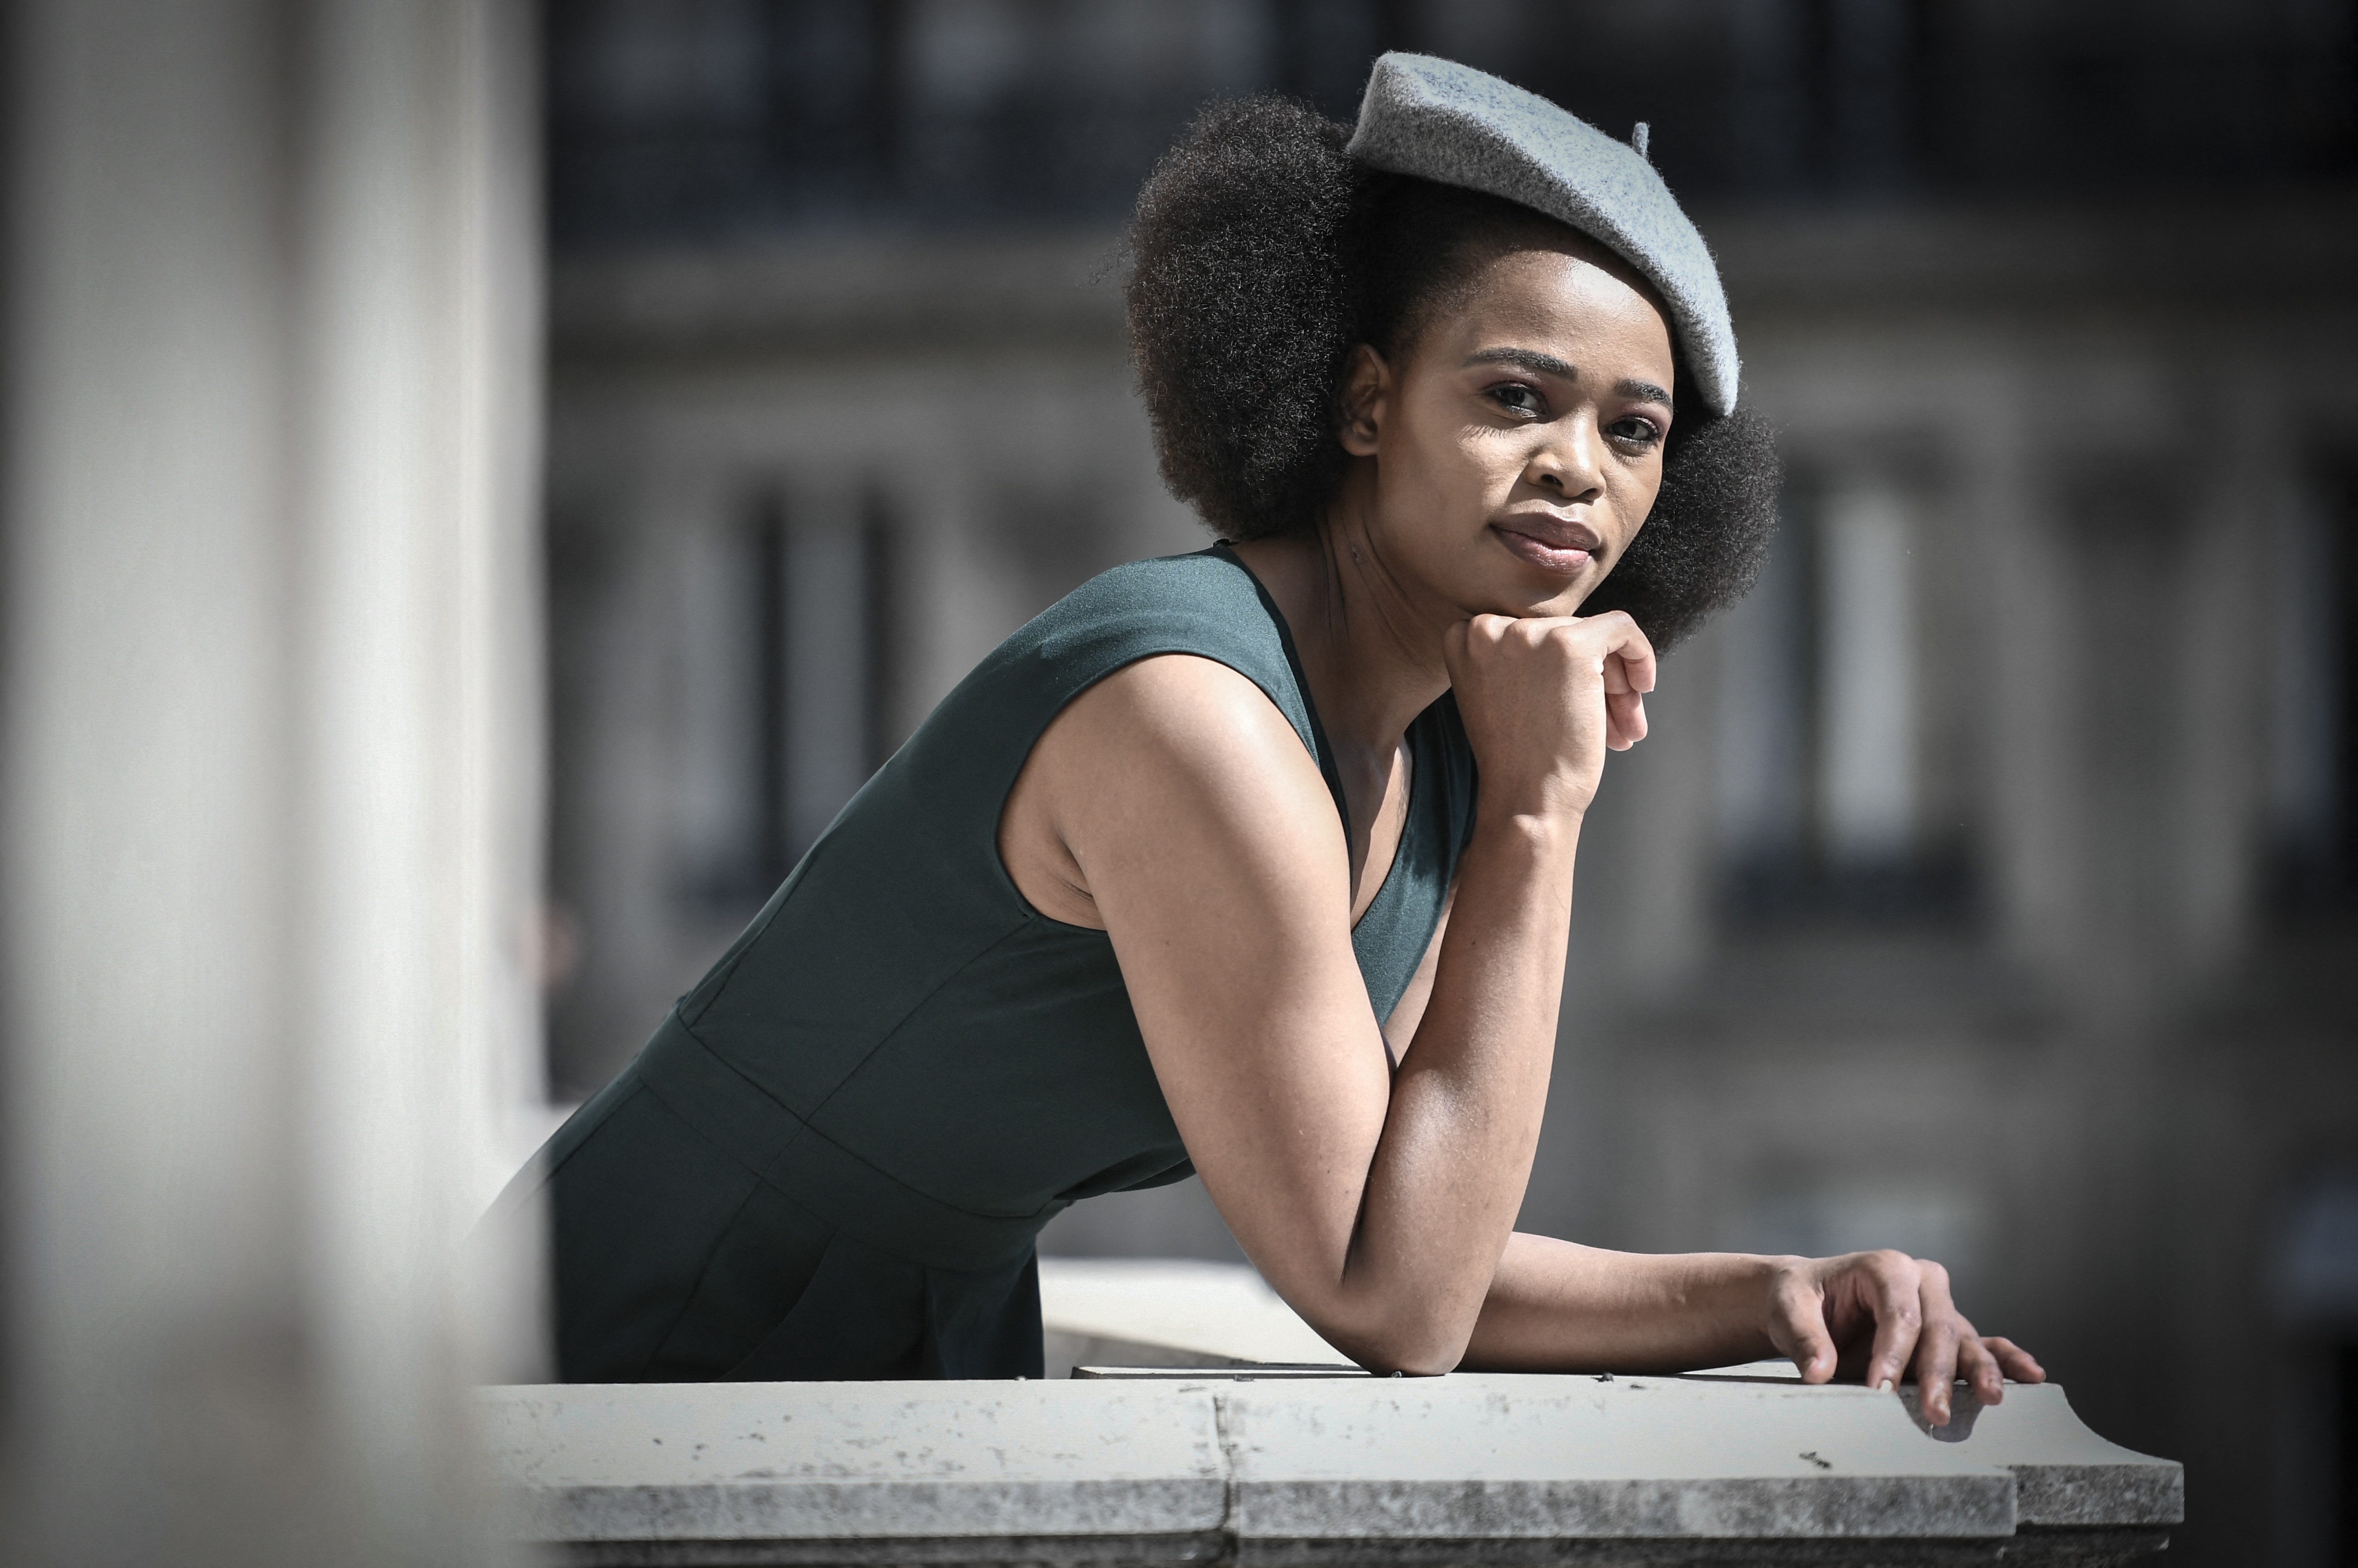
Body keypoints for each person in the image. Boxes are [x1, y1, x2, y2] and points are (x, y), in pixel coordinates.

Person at [510, 54, 2042, 1423]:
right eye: (1517, 397)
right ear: (1365, 405)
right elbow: (1389, 1302)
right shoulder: (1194, 715)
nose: (1576, 468)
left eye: (1632, 431)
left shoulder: (1437, 744)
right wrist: (1537, 817)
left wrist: (1767, 1296)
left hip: (898, 1367)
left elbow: (1416, 1220)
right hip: (627, 1353)